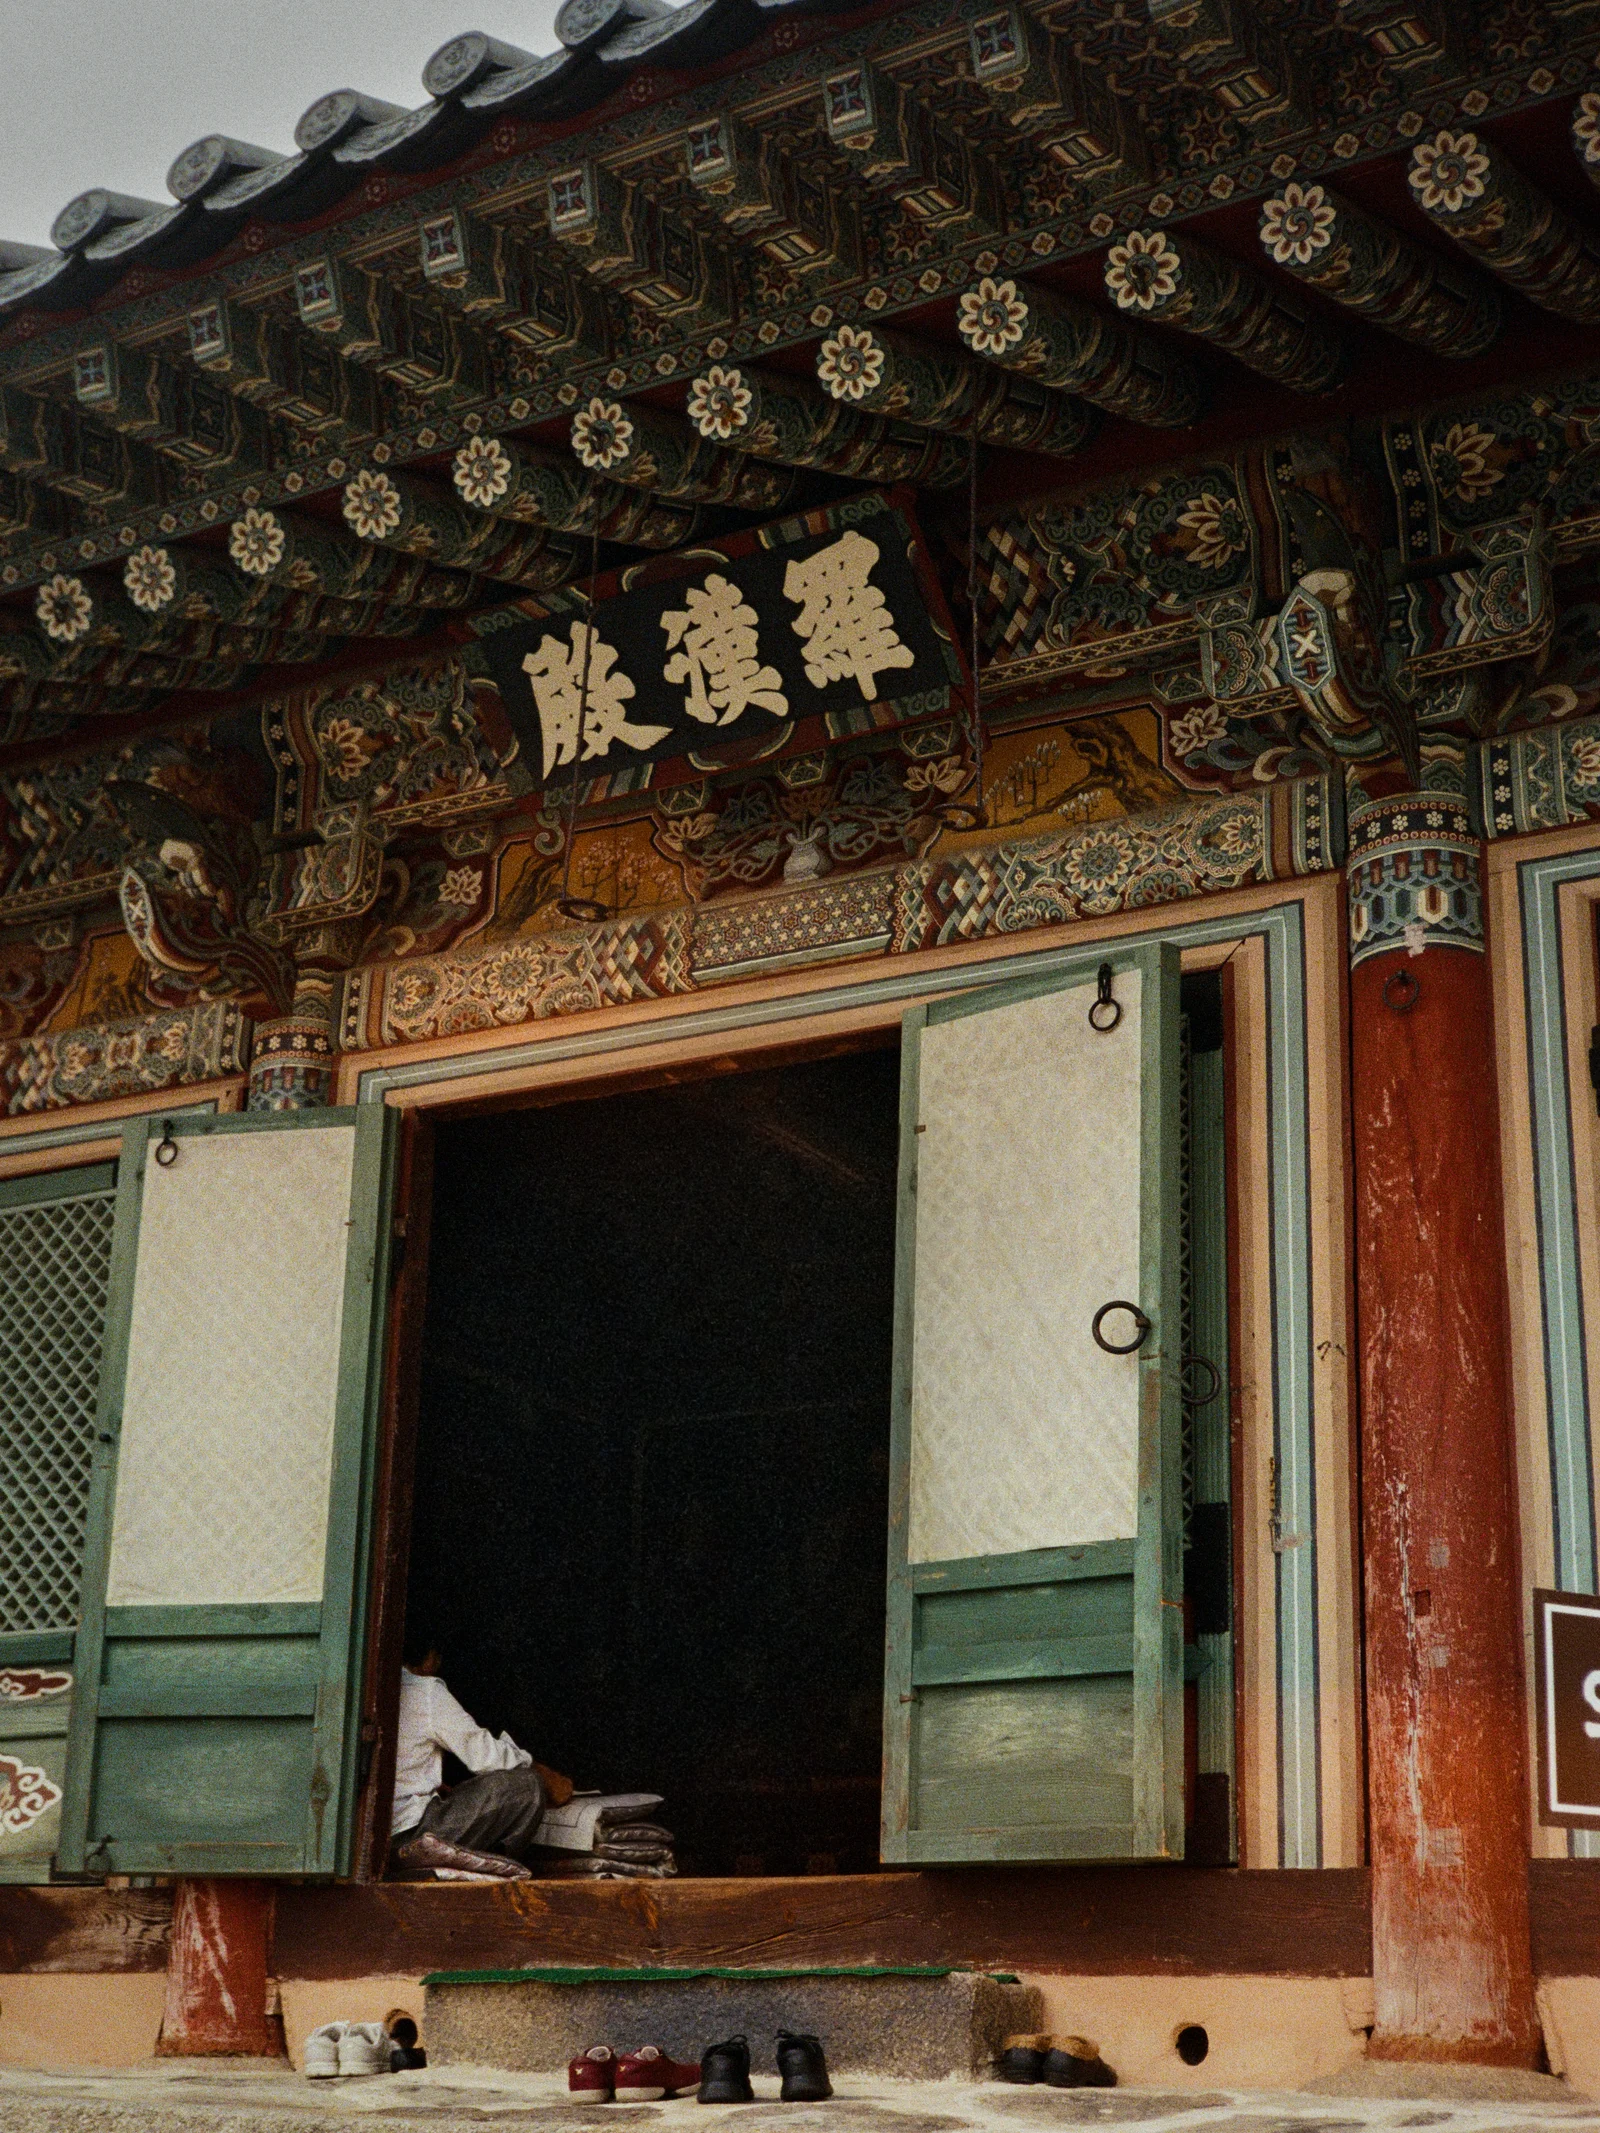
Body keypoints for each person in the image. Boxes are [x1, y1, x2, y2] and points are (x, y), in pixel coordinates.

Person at [390, 1636, 552, 1880]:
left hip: (382, 1833)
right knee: (528, 1785)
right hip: (411, 1835)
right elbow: (485, 1756)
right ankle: (495, 1871)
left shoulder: (374, 1686)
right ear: (431, 1658)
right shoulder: (424, 1691)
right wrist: (537, 1767)